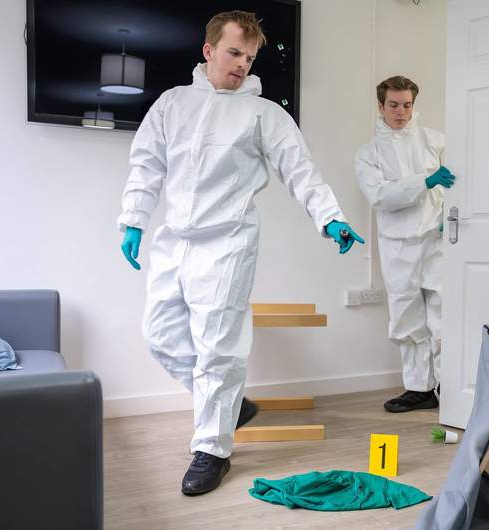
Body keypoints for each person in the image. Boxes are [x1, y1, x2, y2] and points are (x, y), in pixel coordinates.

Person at [117, 11, 363, 496]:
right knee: (160, 335)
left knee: (218, 346)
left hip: (228, 242)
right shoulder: (172, 104)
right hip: (175, 240)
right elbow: (146, 164)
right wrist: (132, 219)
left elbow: (300, 170)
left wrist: (328, 216)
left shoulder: (264, 114)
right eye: (234, 53)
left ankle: (212, 450)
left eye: (249, 58)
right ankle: (231, 404)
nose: (242, 65)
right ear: (208, 50)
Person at [354, 76, 454, 413]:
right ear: (380, 106)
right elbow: (380, 195)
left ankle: (448, 387)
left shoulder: (435, 141)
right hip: (398, 244)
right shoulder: (368, 154)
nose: (401, 112)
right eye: (394, 105)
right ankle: (418, 388)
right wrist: (424, 181)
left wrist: (448, 213)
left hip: (437, 240)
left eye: (407, 105)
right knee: (407, 316)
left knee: (444, 313)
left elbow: (462, 183)